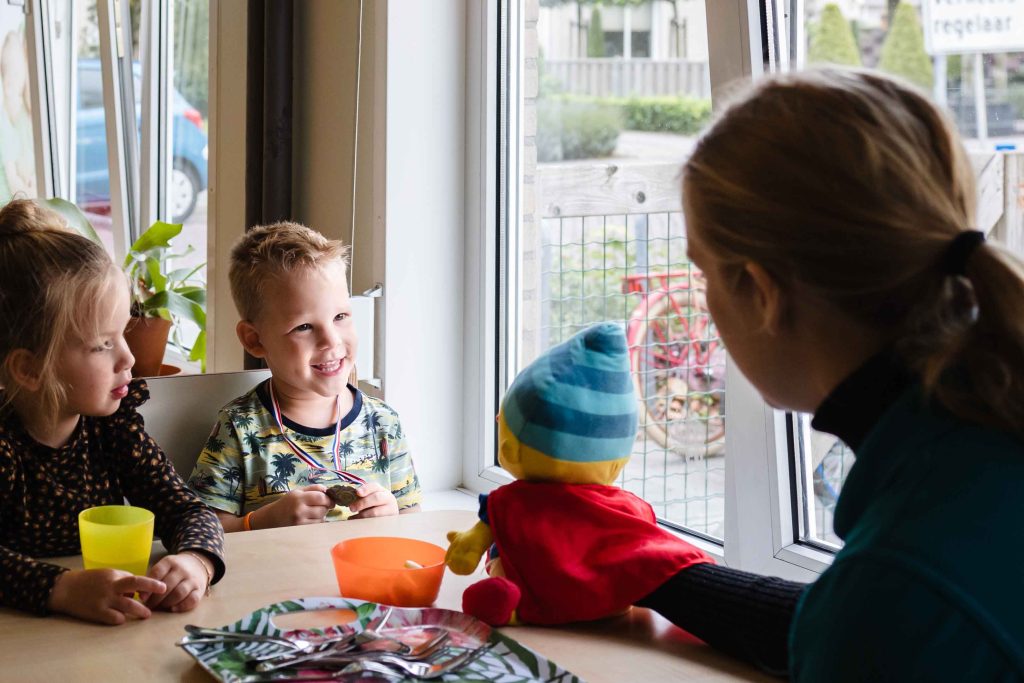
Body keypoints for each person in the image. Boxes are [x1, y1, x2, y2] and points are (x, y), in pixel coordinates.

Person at [637, 67, 1024, 680]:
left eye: (706, 273)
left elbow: (882, 622)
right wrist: (659, 573)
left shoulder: (897, 591)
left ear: (763, 292)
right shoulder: (982, 442)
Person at [0, 198, 224, 624]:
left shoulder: (113, 426)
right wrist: (61, 589)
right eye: (102, 345)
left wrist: (197, 561)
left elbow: (187, 509)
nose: (128, 359)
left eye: (123, 332)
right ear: (30, 368)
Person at [187, 222, 421, 532]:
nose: (332, 341)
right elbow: (200, 526)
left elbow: (413, 514)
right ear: (255, 340)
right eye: (304, 327)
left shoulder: (384, 424)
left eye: (340, 317)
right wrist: (261, 522)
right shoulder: (240, 428)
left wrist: (393, 516)